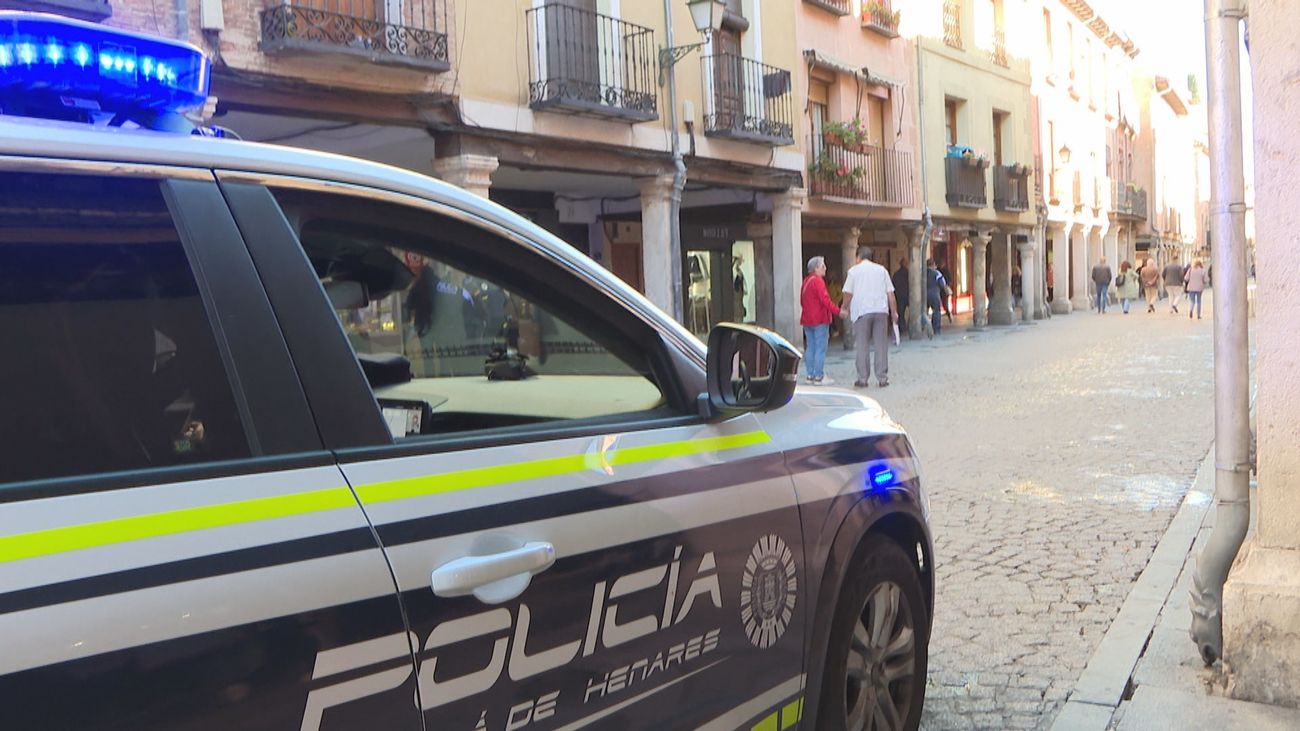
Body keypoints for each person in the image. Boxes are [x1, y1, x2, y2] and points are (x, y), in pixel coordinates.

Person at [841, 246, 898, 388]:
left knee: (862, 346)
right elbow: (890, 294)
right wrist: (894, 312)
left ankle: (862, 378)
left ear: (858, 257)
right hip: (880, 310)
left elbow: (848, 293)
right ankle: (882, 378)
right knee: (881, 345)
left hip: (862, 311)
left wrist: (844, 307)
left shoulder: (853, 271)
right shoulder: (882, 270)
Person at [799, 256, 840, 386]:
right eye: (822, 266)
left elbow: (802, 301)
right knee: (820, 348)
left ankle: (810, 375)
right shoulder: (818, 281)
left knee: (810, 347)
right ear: (816, 268)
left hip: (807, 319)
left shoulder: (806, 281)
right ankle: (819, 376)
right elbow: (825, 300)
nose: (825, 268)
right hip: (819, 319)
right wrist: (838, 311)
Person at [925, 258, 948, 336]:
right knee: (936, 311)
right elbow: (942, 283)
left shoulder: (922, 273)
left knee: (924, 312)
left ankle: (922, 327)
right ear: (933, 265)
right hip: (934, 294)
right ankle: (936, 329)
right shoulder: (937, 273)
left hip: (924, 295)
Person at [892, 258, 910, 336]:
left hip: (899, 296)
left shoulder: (896, 274)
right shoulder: (909, 273)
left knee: (901, 313)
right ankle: (912, 326)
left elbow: (893, 285)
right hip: (909, 295)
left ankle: (902, 328)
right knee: (913, 312)